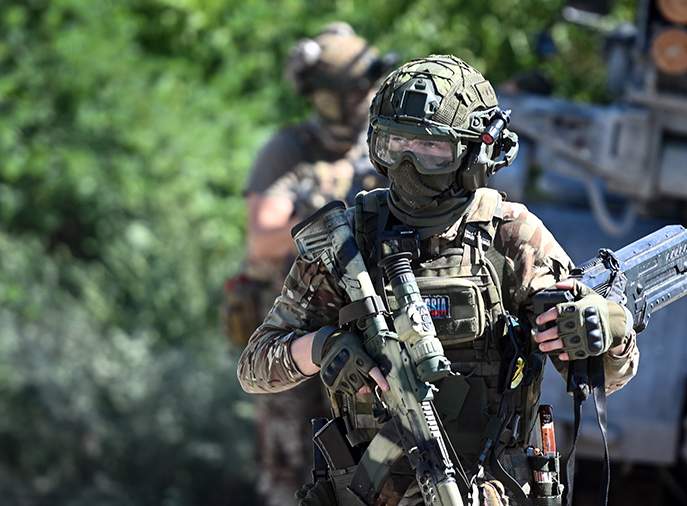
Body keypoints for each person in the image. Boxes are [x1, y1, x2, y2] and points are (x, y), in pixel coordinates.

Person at [237, 54, 639, 505]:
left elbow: (605, 376)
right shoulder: (348, 243)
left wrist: (608, 332)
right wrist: (320, 348)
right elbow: (254, 367)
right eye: (395, 144)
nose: (409, 164)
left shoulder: (510, 235)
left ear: (473, 154)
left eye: (432, 150)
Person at [222, 22, 388, 506]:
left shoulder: (382, 146)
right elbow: (263, 240)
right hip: (296, 333)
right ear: (327, 97)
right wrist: (326, 219)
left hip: (367, 327)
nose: (363, 98)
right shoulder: (292, 151)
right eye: (353, 91)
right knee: (294, 468)